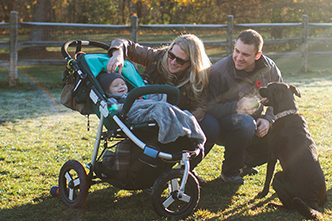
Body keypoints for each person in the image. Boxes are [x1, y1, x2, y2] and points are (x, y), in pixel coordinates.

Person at [105, 34, 219, 176]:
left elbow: (200, 107)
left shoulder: (199, 77)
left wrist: (181, 121)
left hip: (178, 119)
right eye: (171, 55)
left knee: (211, 125)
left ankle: (185, 170)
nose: (173, 61)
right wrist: (118, 54)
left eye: (180, 60)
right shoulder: (157, 57)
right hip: (147, 116)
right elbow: (123, 42)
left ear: (192, 62)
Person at [206, 29, 282, 185]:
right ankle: (230, 172)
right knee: (245, 123)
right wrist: (237, 106)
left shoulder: (269, 68)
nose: (238, 58)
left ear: (258, 55)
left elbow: (280, 99)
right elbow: (208, 109)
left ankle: (244, 163)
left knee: (282, 128)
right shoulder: (218, 72)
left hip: (256, 120)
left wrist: (268, 120)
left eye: (245, 55)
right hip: (225, 125)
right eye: (236, 51)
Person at [96, 71, 205, 146]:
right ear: (107, 91)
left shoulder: (132, 94)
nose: (121, 87)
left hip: (146, 106)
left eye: (123, 84)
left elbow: (147, 100)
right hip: (132, 113)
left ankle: (192, 133)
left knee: (181, 112)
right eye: (116, 86)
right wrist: (120, 107)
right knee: (160, 108)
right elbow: (111, 108)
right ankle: (172, 135)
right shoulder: (113, 100)